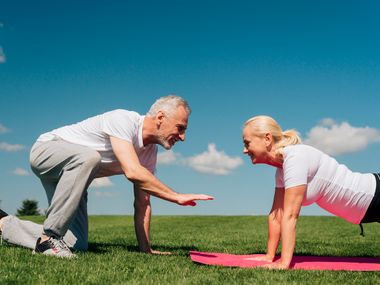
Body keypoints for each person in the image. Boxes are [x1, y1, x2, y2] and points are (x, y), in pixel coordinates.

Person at [0, 95, 213, 258]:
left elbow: (143, 203)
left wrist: (145, 249)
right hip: (46, 151)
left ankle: (3, 223)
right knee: (90, 157)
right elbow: (132, 171)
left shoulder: (149, 153)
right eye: (180, 128)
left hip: (73, 178)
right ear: (160, 118)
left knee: (77, 243)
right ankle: (49, 239)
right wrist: (176, 196)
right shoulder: (124, 120)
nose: (183, 137)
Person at [242, 115, 379, 269]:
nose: (244, 150)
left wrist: (284, 263)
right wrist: (269, 256)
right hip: (370, 207)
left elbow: (290, 215)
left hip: (375, 194)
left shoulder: (295, 158)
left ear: (267, 139)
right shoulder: (282, 171)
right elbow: (276, 215)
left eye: (247, 143)